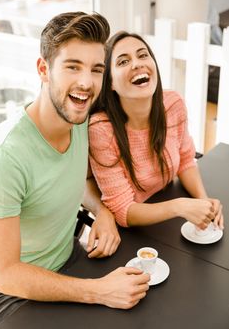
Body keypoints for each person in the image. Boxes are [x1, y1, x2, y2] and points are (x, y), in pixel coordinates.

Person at [0, 14, 150, 328]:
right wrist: (98, 291)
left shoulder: (80, 118)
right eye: (73, 66)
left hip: (69, 259)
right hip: (8, 295)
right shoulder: (4, 156)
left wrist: (101, 210)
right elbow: (4, 273)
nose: (86, 82)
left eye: (96, 69)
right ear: (43, 69)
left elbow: (75, 179)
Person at [89, 31, 224, 230]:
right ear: (110, 83)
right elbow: (123, 210)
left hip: (167, 211)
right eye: (123, 62)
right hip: (136, 229)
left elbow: (186, 160)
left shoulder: (173, 104)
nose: (137, 64)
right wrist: (179, 207)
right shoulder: (101, 130)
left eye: (143, 55)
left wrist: (204, 202)